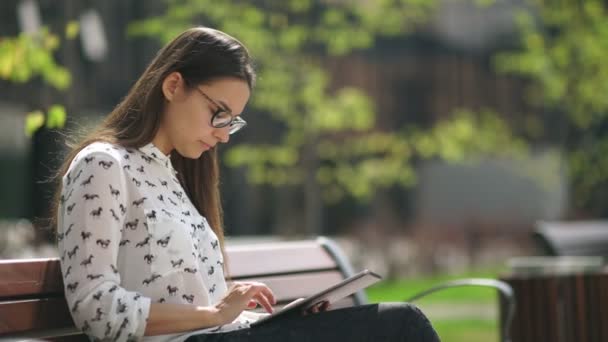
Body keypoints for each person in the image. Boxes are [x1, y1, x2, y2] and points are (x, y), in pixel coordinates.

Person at [51, 27, 440, 342]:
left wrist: (270, 316)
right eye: (219, 114)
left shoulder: (172, 178)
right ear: (172, 87)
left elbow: (200, 308)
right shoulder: (104, 164)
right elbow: (96, 308)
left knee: (393, 323)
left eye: (232, 121)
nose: (224, 135)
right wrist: (216, 313)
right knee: (399, 326)